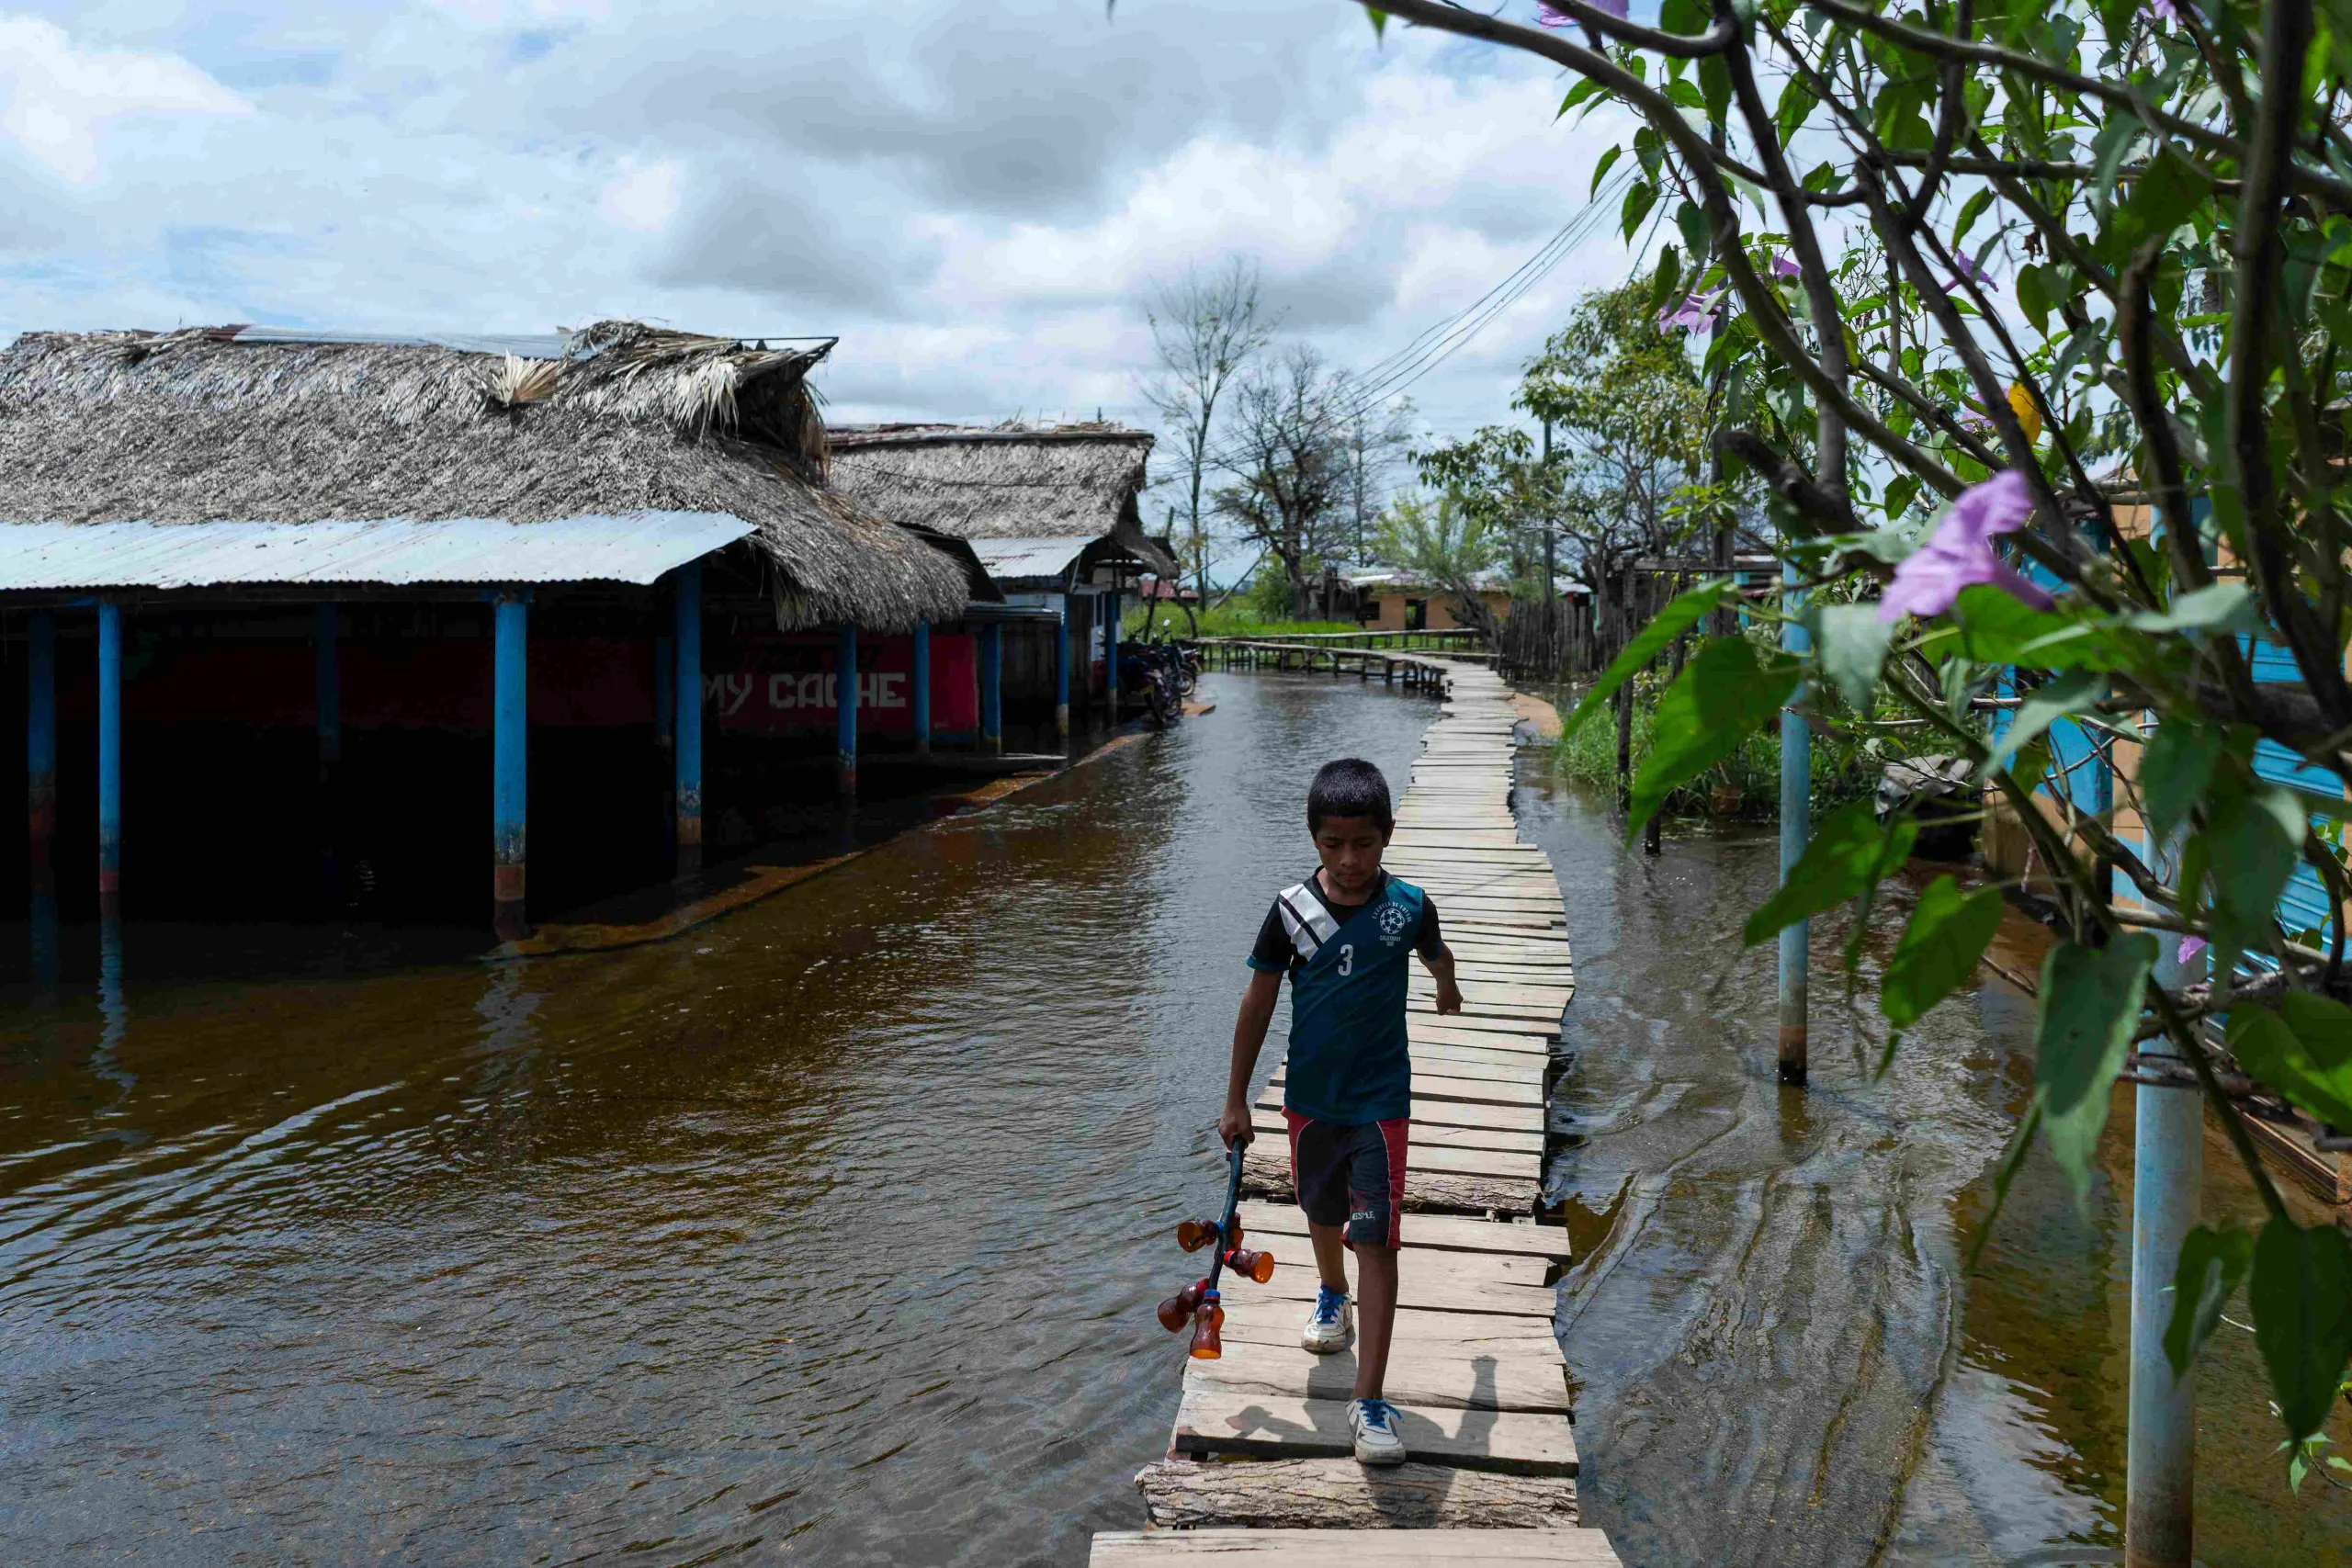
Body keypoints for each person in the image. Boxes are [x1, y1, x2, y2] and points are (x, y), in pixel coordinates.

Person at [1217, 757, 1463, 1466]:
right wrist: (1236, 1096)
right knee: (1321, 1213)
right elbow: (1258, 1002)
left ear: (1387, 835)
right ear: (1314, 839)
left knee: (1377, 1238)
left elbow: (1435, 953)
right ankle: (1331, 1292)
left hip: (1382, 1102)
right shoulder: (1292, 911)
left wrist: (1447, 986)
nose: (1350, 860)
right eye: (1333, 844)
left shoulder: (1408, 905)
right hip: (1311, 1103)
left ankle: (1369, 1399)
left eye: (1364, 844)